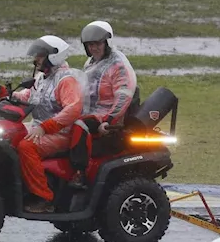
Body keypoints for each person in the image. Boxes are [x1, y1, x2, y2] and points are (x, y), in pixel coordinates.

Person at [11, 35, 86, 212]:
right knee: (9, 135)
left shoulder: (66, 80)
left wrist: (45, 128)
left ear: (54, 56)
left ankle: (44, 198)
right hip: (40, 127)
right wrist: (4, 93)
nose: (35, 59)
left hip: (60, 133)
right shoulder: (42, 77)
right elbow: (26, 97)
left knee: (26, 146)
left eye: (40, 55)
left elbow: (73, 109)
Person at [79, 20, 138, 133]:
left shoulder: (118, 65)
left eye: (98, 43)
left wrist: (109, 120)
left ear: (107, 42)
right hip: (89, 113)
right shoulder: (91, 63)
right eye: (90, 44)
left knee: (78, 127)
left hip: (106, 117)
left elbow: (123, 96)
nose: (94, 48)